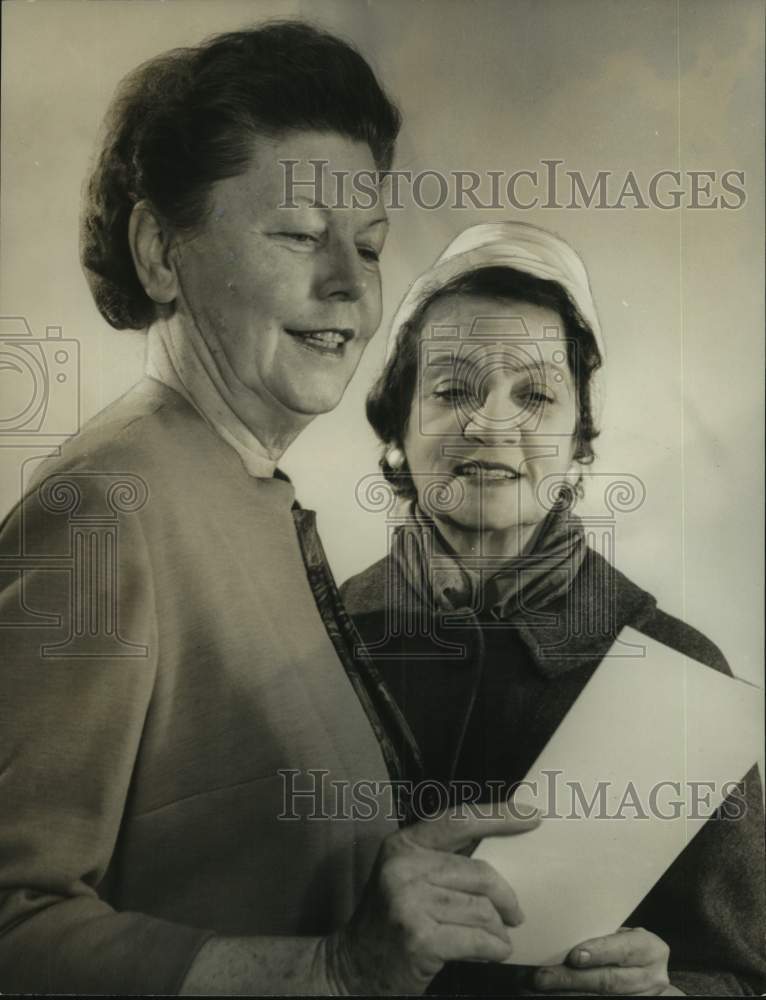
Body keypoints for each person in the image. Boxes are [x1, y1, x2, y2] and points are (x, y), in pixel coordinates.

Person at [0, 26, 544, 996]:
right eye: (299, 234)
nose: (348, 282)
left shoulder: (245, 486)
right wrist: (333, 971)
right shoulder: (102, 511)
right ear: (160, 253)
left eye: (368, 246)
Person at [341, 221, 766, 996]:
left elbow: (745, 975)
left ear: (580, 443)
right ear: (398, 427)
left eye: (535, 393)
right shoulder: (311, 643)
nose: (492, 421)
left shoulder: (677, 675)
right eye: (451, 389)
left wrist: (671, 994)